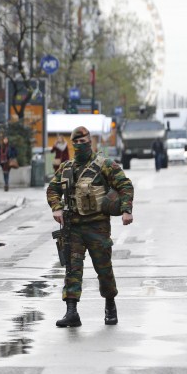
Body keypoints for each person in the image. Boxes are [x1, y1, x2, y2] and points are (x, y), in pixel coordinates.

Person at [46, 126, 134, 328]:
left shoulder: (104, 165)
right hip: (73, 226)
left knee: (103, 268)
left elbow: (125, 185)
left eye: (84, 141)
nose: (80, 145)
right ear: (72, 144)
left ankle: (110, 304)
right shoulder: (66, 167)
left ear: (90, 142)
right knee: (72, 269)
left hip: (98, 226)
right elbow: (53, 188)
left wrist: (126, 210)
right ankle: (71, 311)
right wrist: (57, 207)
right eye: (76, 142)